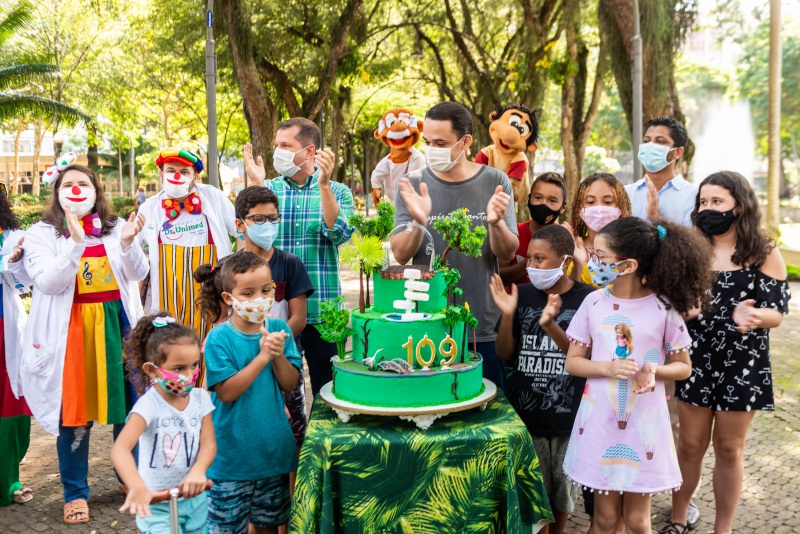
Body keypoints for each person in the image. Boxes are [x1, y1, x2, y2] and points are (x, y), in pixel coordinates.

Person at [563, 217, 715, 534]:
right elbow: (573, 362)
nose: (593, 261)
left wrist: (654, 369)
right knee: (604, 520)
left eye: (600, 256)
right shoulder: (593, 302)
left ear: (629, 264)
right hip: (600, 422)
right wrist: (606, 367)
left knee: (637, 520)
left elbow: (683, 366)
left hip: (644, 423)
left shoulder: (663, 308)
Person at [19, 164, 148, 524]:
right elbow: (47, 283)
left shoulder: (116, 227)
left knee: (131, 405)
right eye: (68, 184)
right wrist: (75, 244)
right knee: (73, 415)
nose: (75, 189)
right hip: (72, 332)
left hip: (117, 328)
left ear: (96, 190)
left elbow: (137, 272)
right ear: (57, 192)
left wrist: (127, 243)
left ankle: (130, 477)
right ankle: (75, 491)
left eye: (83, 183)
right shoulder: (42, 233)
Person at [662, 171, 790, 534]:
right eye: (703, 202)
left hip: (743, 365)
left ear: (739, 205)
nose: (707, 208)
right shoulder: (689, 248)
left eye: (716, 201)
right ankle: (678, 518)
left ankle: (724, 529)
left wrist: (754, 316)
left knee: (730, 450)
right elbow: (671, 300)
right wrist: (682, 309)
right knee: (689, 445)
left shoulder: (762, 251)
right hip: (696, 360)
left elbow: (777, 313)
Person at [391, 101, 519, 392]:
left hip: (481, 324)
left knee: (484, 408)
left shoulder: (495, 181)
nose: (431, 149)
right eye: (427, 142)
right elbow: (400, 254)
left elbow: (508, 252)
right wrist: (418, 220)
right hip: (426, 321)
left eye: (441, 142)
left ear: (465, 142)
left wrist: (496, 222)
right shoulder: (412, 183)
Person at [195, 186, 314, 494]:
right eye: (258, 218)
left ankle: (288, 508)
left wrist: (277, 343)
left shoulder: (289, 265)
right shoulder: (227, 271)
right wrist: (257, 349)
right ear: (240, 223)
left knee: (291, 436)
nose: (267, 225)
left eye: (273, 218)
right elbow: (225, 391)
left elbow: (298, 317)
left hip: (279, 356)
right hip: (231, 459)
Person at [490, 225, 595, 534]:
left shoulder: (587, 299)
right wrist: (508, 314)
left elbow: (586, 358)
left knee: (562, 495)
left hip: (569, 419)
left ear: (564, 261)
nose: (532, 266)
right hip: (528, 419)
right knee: (533, 495)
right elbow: (504, 354)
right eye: (530, 259)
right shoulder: (520, 294)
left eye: (540, 259)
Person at [243, 118, 355, 397]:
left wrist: (325, 185)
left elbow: (340, 233)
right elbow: (251, 240)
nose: (277, 152)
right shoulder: (270, 189)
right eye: (276, 145)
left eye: (285, 145)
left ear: (308, 151)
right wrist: (257, 187)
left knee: (328, 394)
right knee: (276, 392)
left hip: (323, 313)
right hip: (276, 313)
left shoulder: (338, 191)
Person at [202, 252, 301, 534]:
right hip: (230, 460)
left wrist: (278, 355)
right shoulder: (219, 338)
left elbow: (290, 383)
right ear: (228, 298)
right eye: (248, 293)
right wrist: (262, 357)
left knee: (269, 526)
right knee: (225, 528)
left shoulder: (280, 329)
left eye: (266, 290)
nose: (259, 298)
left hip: (272, 455)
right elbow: (226, 393)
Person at [111, 313, 216, 534]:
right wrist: (137, 486)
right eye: (179, 368)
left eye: (194, 365)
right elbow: (120, 449)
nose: (189, 375)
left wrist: (198, 471)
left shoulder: (201, 399)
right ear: (152, 370)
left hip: (196, 499)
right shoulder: (149, 406)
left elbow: (208, 443)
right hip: (157, 504)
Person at [137, 148, 238, 375]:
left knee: (212, 350)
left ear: (196, 176)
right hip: (167, 294)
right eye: (170, 170)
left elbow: (241, 230)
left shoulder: (214, 198)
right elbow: (134, 259)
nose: (176, 176)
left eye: (184, 171)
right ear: (161, 174)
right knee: (172, 351)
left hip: (210, 294)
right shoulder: (149, 208)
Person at [0, 188, 33, 507]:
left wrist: (17, 262)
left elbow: (28, 279)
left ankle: (8, 477)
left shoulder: (13, 238)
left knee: (11, 402)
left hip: (4, 330)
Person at [626, 117, 697, 226]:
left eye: (660, 141)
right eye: (646, 141)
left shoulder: (693, 196)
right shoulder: (626, 194)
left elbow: (695, 241)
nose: (650, 146)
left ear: (678, 152)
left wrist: (656, 218)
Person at [499, 172, 568, 286]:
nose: (543, 204)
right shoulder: (512, 233)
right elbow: (500, 277)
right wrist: (533, 261)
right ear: (529, 199)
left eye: (552, 200)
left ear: (563, 208)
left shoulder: (565, 238)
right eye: (538, 198)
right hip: (515, 302)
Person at [564, 173, 632, 287]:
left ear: (621, 206)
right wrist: (578, 264)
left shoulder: (632, 249)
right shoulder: (570, 249)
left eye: (608, 202)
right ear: (579, 208)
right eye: (590, 202)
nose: (599, 208)